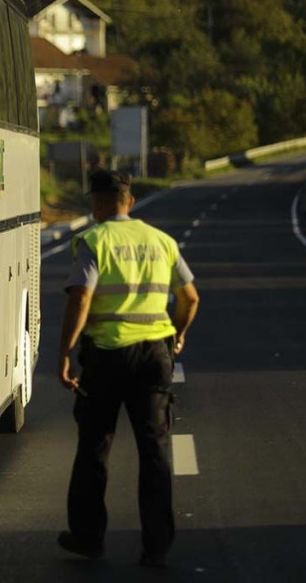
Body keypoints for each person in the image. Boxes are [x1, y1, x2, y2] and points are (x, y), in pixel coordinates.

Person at [56, 169, 200, 568]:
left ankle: (87, 538)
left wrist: (65, 351)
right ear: (130, 201)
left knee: (94, 449)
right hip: (155, 356)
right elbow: (190, 297)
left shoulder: (92, 240)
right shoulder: (162, 242)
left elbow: (81, 297)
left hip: (106, 357)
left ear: (97, 203)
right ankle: (156, 547)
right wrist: (179, 335)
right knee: (154, 451)